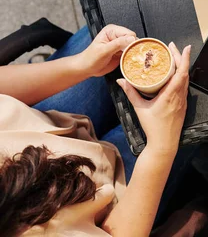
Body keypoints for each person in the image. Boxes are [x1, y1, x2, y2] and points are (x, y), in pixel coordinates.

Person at [0, 24, 192, 236]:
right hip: (111, 202)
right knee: (195, 102)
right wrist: (160, 148)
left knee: (128, 23)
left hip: (49, 121)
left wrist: (82, 64)